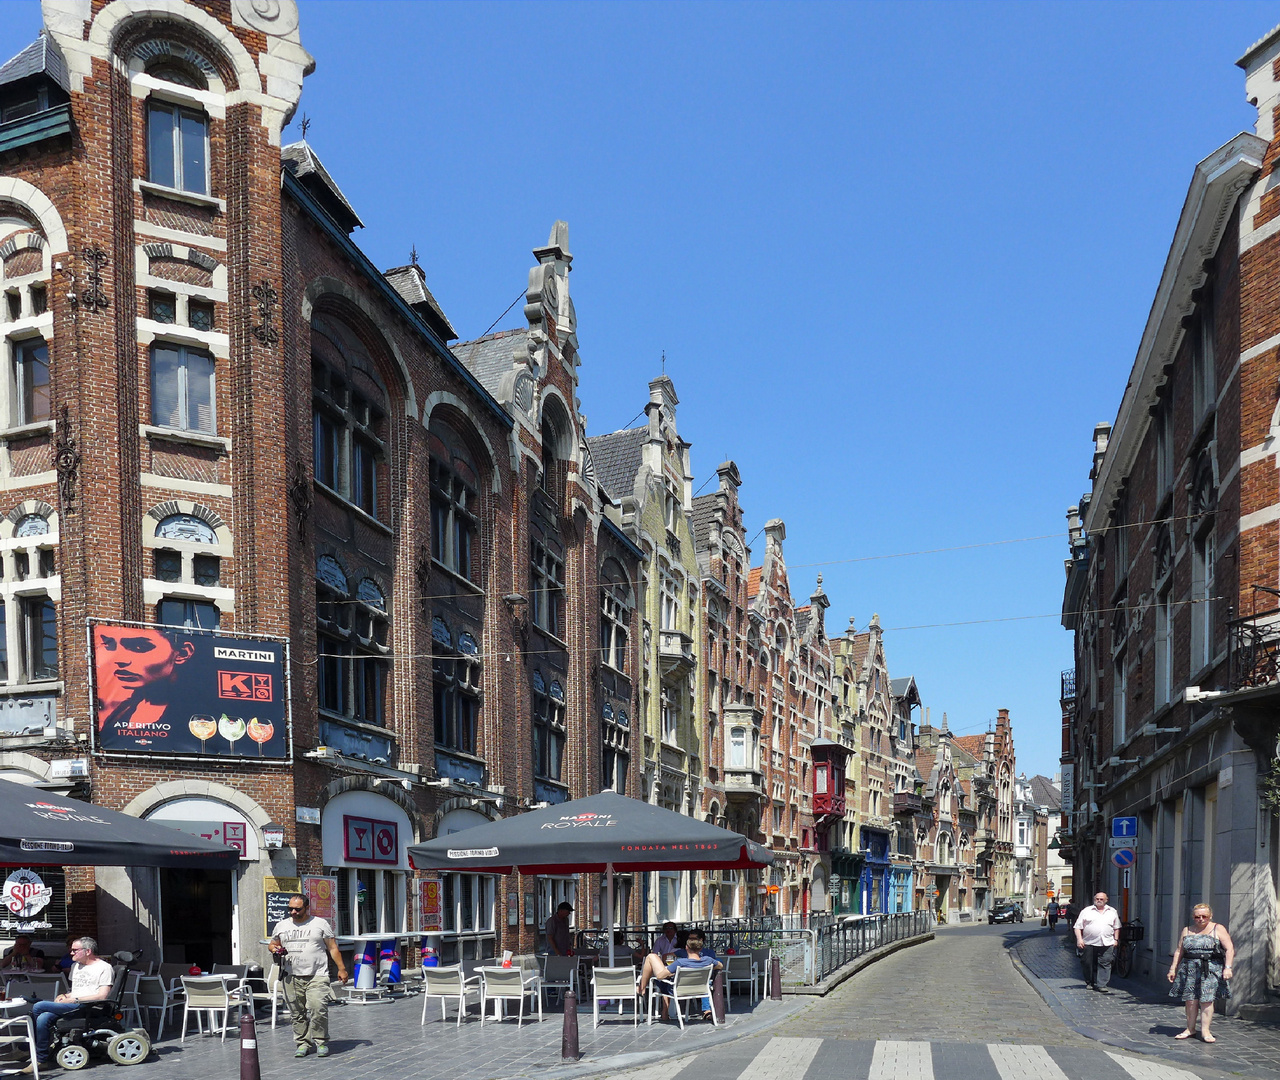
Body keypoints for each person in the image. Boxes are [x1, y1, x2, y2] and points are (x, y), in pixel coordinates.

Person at [269, 894, 348, 1058]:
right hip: (291, 975)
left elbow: (332, 948)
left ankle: (321, 1042)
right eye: (290, 909)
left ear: (306, 908)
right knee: (296, 1013)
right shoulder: (281, 925)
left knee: (318, 1008)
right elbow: (273, 943)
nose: (293, 912)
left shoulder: (320, 924)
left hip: (316, 974)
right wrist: (274, 949)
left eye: (297, 909)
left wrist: (341, 969)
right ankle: (302, 1043)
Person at [93, 624, 195, 732]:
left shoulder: (198, 714)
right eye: (109, 646)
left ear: (183, 653)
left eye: (139, 647)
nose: (120, 660)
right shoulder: (124, 710)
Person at [31, 937, 114, 1066]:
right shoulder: (75, 966)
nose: (71, 953)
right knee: (43, 1017)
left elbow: (102, 996)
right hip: (73, 1004)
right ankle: (41, 1058)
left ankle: (37, 1047)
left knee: (38, 1006)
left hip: (88, 1007)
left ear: (88, 951)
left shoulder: (104, 967)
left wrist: (74, 1000)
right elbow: (76, 990)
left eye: (75, 950)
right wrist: (65, 995)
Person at [1167, 903, 1235, 1043]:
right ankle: (1190, 1028)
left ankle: (1205, 1030)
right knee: (1191, 1000)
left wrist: (1228, 967)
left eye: (1205, 916)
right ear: (1193, 917)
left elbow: (1229, 949)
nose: (1201, 919)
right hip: (1190, 968)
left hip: (1210, 968)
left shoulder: (1218, 928)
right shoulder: (1187, 930)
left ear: (1211, 916)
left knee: (1206, 1000)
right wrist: (1173, 968)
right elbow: (1180, 950)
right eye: (1198, 917)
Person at [638, 929, 723, 1021]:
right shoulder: (708, 960)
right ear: (701, 948)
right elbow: (720, 965)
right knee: (667, 978)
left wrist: (670, 971)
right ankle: (663, 1011)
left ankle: (642, 989)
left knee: (651, 957)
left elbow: (659, 976)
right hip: (700, 988)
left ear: (686, 947)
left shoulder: (680, 962)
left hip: (677, 989)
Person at [1074, 891, 1122, 993]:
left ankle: (1102, 984)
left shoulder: (1112, 911)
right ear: (1094, 899)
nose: (1099, 901)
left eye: (1101, 899)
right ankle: (1089, 982)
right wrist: (1079, 939)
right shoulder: (1086, 911)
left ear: (1106, 900)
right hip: (1089, 942)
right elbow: (1078, 927)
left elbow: (1116, 927)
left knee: (1105, 962)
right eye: (1097, 899)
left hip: (1107, 942)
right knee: (1087, 963)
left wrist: (1116, 939)